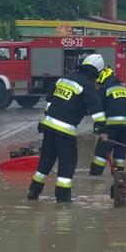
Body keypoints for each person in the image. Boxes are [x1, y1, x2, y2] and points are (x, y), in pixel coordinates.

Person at [27, 54, 99, 203]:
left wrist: (46, 118)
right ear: (94, 72)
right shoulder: (88, 85)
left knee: (45, 161)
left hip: (49, 126)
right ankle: (63, 197)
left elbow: (50, 98)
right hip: (65, 130)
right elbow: (96, 109)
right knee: (68, 162)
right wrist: (102, 128)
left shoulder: (65, 78)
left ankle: (33, 192)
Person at [88, 60, 126, 176]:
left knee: (102, 150)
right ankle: (119, 175)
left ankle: (95, 176)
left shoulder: (104, 89)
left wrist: (100, 130)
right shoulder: (123, 88)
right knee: (120, 149)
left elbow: (98, 110)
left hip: (111, 122)